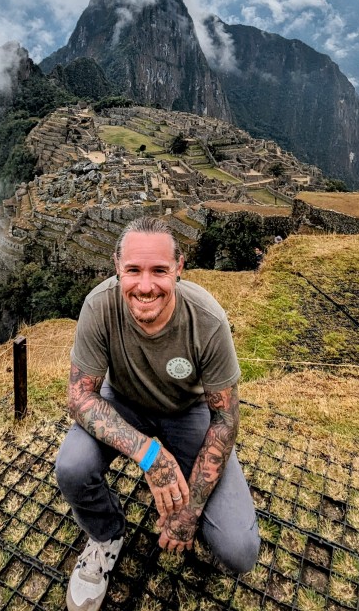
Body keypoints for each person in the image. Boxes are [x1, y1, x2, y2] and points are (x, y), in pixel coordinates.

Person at [55, 216, 260, 611]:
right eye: (133, 270)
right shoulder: (99, 306)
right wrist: (150, 455)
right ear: (117, 268)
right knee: (72, 466)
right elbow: (81, 397)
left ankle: (205, 497)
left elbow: (226, 419)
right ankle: (106, 535)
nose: (145, 286)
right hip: (124, 403)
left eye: (159, 271)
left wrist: (191, 511)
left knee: (239, 549)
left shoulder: (208, 320)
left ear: (179, 269)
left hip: (189, 411)